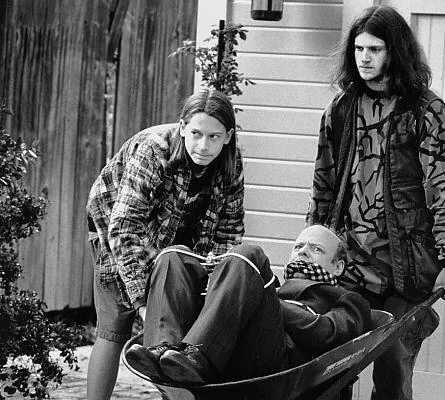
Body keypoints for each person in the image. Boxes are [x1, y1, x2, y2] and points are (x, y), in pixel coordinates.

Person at [306, 5, 445, 400]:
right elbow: (323, 184)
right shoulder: (340, 109)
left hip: (407, 265)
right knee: (331, 366)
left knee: (393, 370)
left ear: (395, 52)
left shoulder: (426, 112)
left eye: (375, 49)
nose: (364, 58)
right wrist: (312, 245)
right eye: (359, 49)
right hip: (348, 261)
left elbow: (441, 189)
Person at [85, 88, 245, 400]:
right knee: (115, 325)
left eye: (214, 137)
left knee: (175, 329)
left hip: (177, 237)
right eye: (196, 133)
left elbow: (229, 230)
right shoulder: (154, 149)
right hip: (114, 228)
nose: (203, 145)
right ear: (183, 127)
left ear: (228, 137)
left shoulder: (232, 162)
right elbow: (125, 226)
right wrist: (143, 303)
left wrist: (212, 288)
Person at [126, 224, 370, 396]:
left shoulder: (347, 299)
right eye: (298, 246)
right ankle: (163, 352)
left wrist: (257, 297)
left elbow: (328, 333)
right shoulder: (272, 286)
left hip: (279, 368)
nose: (303, 251)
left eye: (316, 249)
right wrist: (218, 287)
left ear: (338, 266)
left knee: (248, 255)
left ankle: (197, 356)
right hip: (231, 351)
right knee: (174, 256)